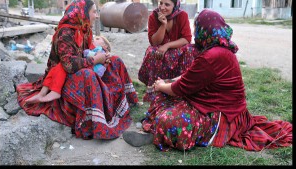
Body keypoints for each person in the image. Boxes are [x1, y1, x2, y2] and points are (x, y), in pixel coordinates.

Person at [123, 9, 292, 151]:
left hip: (222, 114)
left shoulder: (212, 56)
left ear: (204, 29)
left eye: (197, 27)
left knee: (169, 117)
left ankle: (158, 132)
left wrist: (161, 85)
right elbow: (192, 76)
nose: (195, 31)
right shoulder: (219, 48)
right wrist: (167, 83)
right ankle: (157, 129)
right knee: (161, 96)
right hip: (211, 102)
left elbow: (180, 88)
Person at [17, 0, 139, 140]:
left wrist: (103, 56)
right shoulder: (65, 32)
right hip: (62, 78)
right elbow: (68, 65)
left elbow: (89, 51)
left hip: (83, 66)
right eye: (94, 12)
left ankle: (120, 103)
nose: (97, 15)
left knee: (115, 60)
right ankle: (92, 120)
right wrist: (94, 60)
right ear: (83, 12)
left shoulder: (85, 29)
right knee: (88, 75)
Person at [138, 0, 198, 103]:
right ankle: (155, 88)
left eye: (167, 4)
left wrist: (167, 45)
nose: (162, 7)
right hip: (159, 49)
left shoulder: (182, 16)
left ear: (175, 6)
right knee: (152, 51)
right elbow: (154, 42)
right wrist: (163, 25)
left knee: (190, 49)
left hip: (176, 48)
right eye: (161, 3)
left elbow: (186, 39)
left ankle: (182, 86)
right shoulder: (153, 17)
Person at [25, 35, 112, 104]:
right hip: (83, 64)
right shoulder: (91, 45)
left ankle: (54, 91)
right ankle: (42, 94)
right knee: (56, 68)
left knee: (61, 67)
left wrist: (95, 56)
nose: (94, 39)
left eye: (98, 39)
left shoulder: (101, 51)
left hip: (87, 69)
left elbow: (89, 54)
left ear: (105, 46)